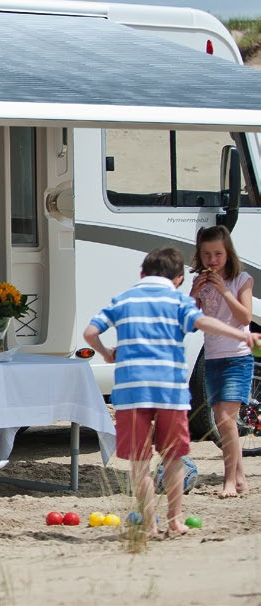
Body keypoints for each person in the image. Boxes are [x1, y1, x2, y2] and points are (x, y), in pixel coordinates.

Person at [83, 247, 261, 535]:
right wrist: (242, 334)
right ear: (179, 279)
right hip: (170, 392)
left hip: (131, 393)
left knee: (140, 461)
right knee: (174, 457)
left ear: (142, 273)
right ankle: (175, 520)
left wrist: (105, 353)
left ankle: (150, 522)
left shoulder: (123, 299)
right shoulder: (178, 300)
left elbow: (90, 333)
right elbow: (203, 322)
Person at [190, 225, 256, 498]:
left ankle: (230, 480)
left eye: (218, 253)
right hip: (213, 359)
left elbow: (245, 319)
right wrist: (194, 294)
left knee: (225, 420)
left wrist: (224, 291)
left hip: (238, 358)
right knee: (223, 420)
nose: (212, 260)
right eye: (206, 255)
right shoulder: (202, 284)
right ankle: (240, 478)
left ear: (228, 253)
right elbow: (190, 323)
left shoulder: (242, 279)